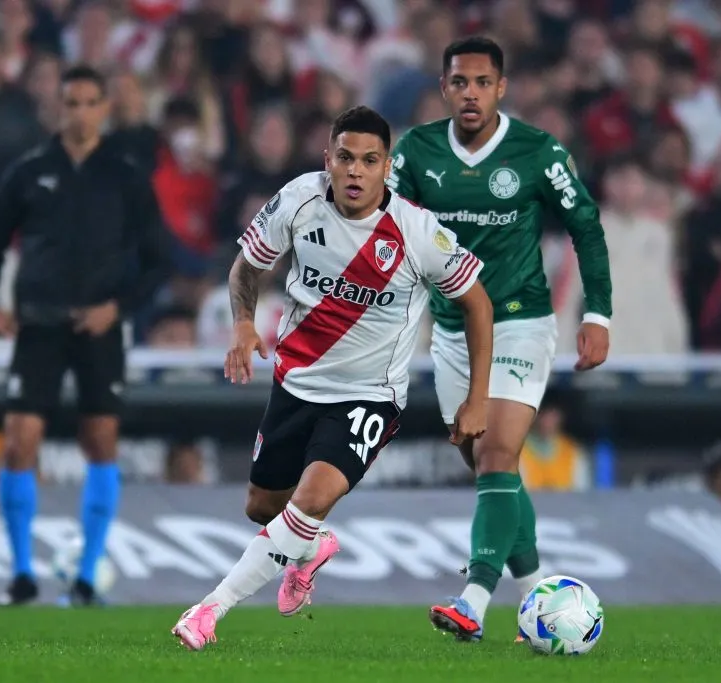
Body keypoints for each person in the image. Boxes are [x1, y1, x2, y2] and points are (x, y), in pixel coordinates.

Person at [171, 105, 494, 651]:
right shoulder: (299, 199)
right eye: (345, 157)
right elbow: (247, 267)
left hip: (371, 395)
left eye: (369, 161)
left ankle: (208, 611)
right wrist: (244, 325)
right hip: (297, 382)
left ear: (386, 167)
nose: (355, 171)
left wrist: (477, 398)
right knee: (261, 506)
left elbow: (478, 306)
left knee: (312, 494)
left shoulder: (416, 232)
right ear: (328, 159)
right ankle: (311, 546)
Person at [386, 36, 612, 641]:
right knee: (496, 472)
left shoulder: (538, 152)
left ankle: (472, 602)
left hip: (520, 319)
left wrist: (598, 316)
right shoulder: (417, 152)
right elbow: (385, 228)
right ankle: (540, 597)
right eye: (460, 82)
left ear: (501, 89)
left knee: (495, 454)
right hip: (453, 330)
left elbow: (585, 226)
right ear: (444, 88)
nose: (471, 94)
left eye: (483, 83)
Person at [0, 64, 173, 607]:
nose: (80, 112)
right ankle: (20, 574)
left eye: (89, 102)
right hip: (38, 323)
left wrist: (119, 309)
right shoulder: (30, 170)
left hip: (98, 327)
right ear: (57, 108)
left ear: (104, 108)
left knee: (100, 442)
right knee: (19, 442)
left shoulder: (126, 174)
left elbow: (160, 259)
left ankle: (86, 575)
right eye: (71, 102)